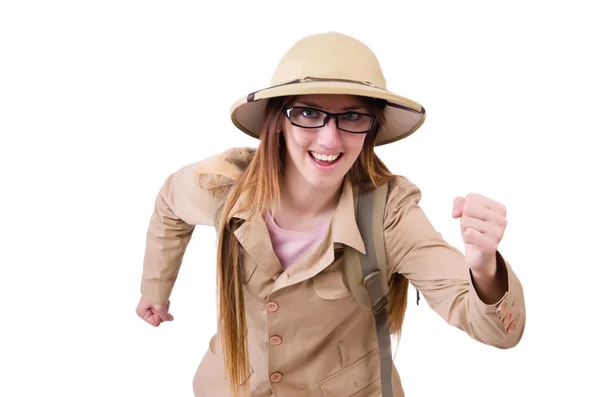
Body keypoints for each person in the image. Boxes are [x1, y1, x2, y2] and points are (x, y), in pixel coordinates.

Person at [135, 31, 526, 397]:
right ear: (277, 122)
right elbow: (170, 204)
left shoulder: (389, 214)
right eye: (308, 113)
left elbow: (497, 330)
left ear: (370, 130)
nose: (329, 138)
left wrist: (484, 269)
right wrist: (156, 288)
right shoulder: (223, 187)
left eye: (352, 117)